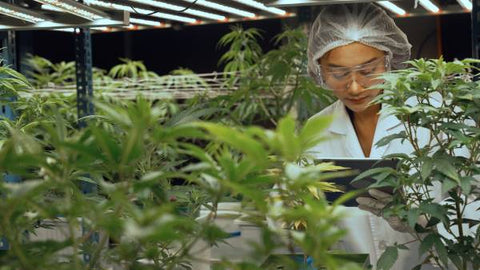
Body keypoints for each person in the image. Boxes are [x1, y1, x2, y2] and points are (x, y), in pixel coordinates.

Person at [305, 3, 433, 270]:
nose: (354, 87)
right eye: (338, 73)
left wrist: (421, 221)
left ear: (389, 60)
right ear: (319, 69)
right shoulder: (315, 129)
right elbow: (292, 217)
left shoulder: (435, 118)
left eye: (367, 71)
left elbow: (470, 211)